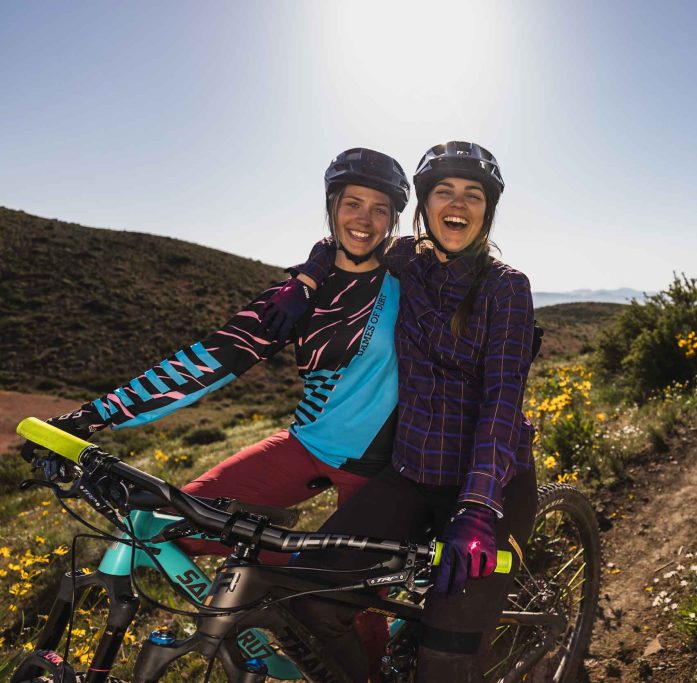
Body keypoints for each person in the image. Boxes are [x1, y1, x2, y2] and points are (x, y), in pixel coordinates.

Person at [21, 147, 410, 678]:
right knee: (164, 528)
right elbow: (208, 359)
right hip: (306, 442)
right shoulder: (295, 295)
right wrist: (93, 415)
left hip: (381, 464)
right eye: (351, 203)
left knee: (345, 609)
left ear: (394, 219)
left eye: (379, 208)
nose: (363, 219)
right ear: (331, 207)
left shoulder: (410, 279)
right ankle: (273, 604)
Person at [282, 141, 539, 682]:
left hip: (488, 485)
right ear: (423, 205)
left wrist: (477, 508)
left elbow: (501, 401)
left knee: (444, 659)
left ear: (487, 209)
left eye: (473, 195)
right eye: (444, 191)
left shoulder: (506, 287)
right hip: (411, 473)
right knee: (305, 600)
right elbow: (345, 243)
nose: (458, 203)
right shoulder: (404, 260)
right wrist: (305, 277)